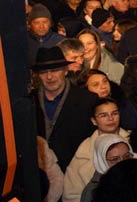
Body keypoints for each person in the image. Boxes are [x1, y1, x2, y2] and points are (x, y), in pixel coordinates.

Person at [34, 46, 101, 185]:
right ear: (38, 75)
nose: (49, 77)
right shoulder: (29, 102)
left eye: (55, 70)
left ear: (65, 71)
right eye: (44, 72)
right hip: (39, 179)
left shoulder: (87, 100)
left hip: (76, 177)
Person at [63, 97, 128, 202]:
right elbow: (72, 191)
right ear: (93, 120)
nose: (110, 118)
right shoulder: (84, 150)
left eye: (114, 113)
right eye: (103, 115)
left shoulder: (133, 142)